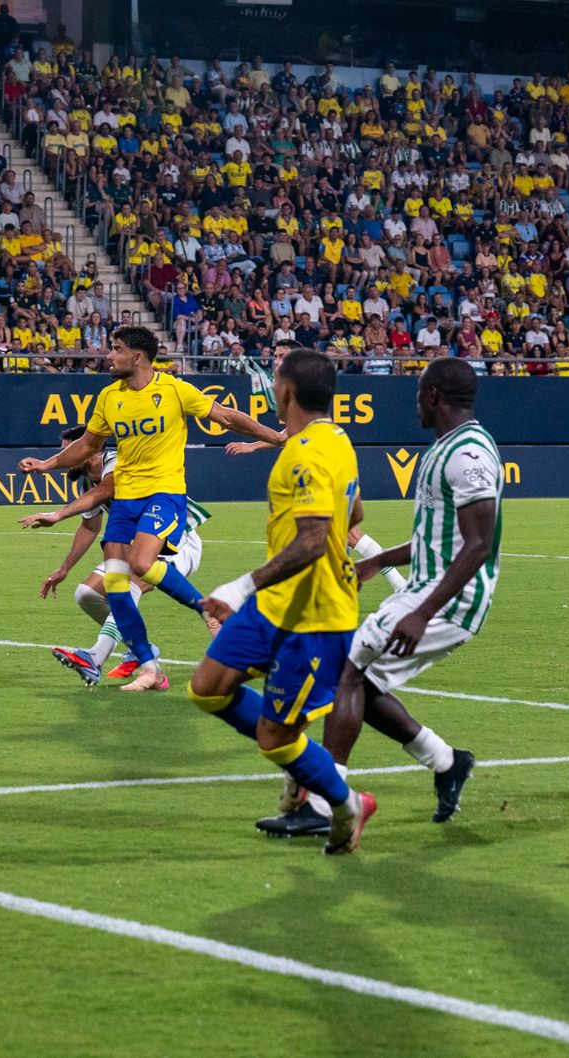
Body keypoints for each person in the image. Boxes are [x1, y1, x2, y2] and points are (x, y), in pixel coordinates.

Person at [267, 358, 494, 836]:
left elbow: (478, 545)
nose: (415, 401)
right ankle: (447, 761)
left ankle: (329, 805)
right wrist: (377, 561)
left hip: (447, 599)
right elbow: (441, 537)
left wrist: (422, 613)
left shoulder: (468, 453)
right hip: (424, 590)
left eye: (418, 392)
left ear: (433, 395)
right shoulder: (446, 447)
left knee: (344, 672)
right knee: (360, 686)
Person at [19, 326, 282, 691]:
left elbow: (226, 418)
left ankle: (207, 608)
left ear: (138, 357)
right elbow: (87, 444)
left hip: (164, 493)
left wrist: (276, 436)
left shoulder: (175, 390)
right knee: (114, 582)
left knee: (141, 565)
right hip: (127, 499)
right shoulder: (110, 397)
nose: (108, 355)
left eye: (116, 349)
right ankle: (147, 665)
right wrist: (47, 464)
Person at [191, 349, 376, 856]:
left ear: (286, 392)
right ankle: (306, 767)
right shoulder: (335, 438)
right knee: (207, 689)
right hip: (278, 602)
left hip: (313, 611)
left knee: (275, 738)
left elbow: (314, 540)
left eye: (275, 381)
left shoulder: (306, 453)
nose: (273, 388)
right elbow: (354, 509)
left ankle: (344, 803)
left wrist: (239, 586)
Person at [19, 426, 210, 687]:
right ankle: (142, 652)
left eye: (69, 451)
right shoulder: (89, 479)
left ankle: (95, 659)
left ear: (89, 449)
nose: (64, 458)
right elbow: (90, 526)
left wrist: (58, 514)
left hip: (176, 541)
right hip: (137, 544)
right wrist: (64, 569)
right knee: (86, 594)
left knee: (127, 586)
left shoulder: (119, 463)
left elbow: (106, 491)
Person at [226, 339, 406, 596]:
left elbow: (282, 436)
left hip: (319, 459)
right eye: (275, 356)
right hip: (331, 451)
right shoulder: (308, 395)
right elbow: (285, 435)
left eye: (283, 356)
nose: (277, 361)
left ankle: (396, 584)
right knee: (346, 533)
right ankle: (365, 581)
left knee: (345, 535)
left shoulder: (301, 394)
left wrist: (252, 446)